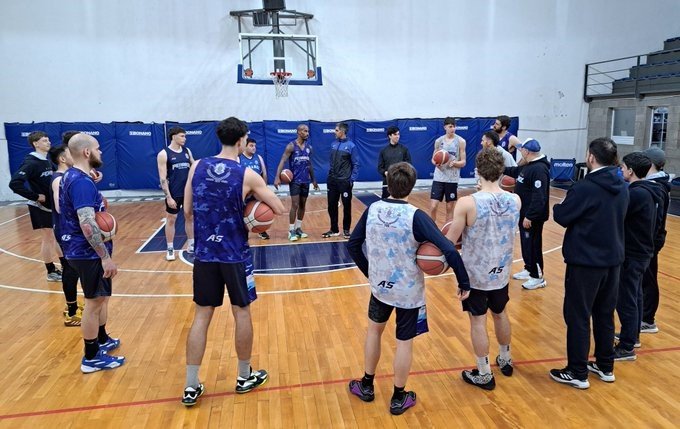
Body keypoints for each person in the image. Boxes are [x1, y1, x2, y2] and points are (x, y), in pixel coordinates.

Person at [347, 162, 471, 415]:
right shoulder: (416, 216)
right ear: (412, 186)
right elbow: (448, 248)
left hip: (380, 287)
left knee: (374, 332)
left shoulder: (372, 210)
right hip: (408, 292)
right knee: (404, 342)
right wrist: (463, 281)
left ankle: (367, 385)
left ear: (388, 183)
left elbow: (353, 245)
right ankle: (398, 397)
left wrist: (370, 272)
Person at [181, 117, 285, 407]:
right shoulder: (246, 174)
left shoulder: (196, 166)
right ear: (241, 141)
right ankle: (243, 376)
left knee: (202, 316)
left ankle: (191, 385)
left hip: (204, 254)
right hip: (234, 254)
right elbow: (278, 209)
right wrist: (253, 208)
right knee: (241, 313)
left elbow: (187, 211)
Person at [550, 137, 628, 389]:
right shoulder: (623, 186)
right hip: (613, 261)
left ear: (591, 157)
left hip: (585, 262)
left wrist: (561, 206)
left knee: (578, 315)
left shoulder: (585, 187)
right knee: (605, 314)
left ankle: (577, 371)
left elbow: (562, 216)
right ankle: (605, 366)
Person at [446, 148, 521, 390]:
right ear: (501, 171)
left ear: (477, 171)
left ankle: (484, 373)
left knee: (478, 321)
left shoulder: (467, 203)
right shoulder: (515, 200)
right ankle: (506, 359)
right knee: (501, 313)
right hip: (501, 271)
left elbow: (450, 242)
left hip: (475, 275)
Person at [60, 133, 125, 373]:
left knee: (99, 299)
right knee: (93, 302)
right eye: (98, 149)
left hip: (77, 249)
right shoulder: (81, 183)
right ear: (87, 152)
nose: (101, 153)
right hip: (87, 252)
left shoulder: (73, 175)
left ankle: (101, 341)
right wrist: (105, 257)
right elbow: (87, 223)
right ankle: (90, 357)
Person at [614, 152, 664, 361]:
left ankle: (626, 346)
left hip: (634, 253)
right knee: (636, 295)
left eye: (623, 168)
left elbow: (619, 216)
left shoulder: (636, 194)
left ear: (631, 171)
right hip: (643, 251)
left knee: (626, 298)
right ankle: (632, 336)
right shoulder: (652, 190)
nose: (621, 171)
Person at [8, 131, 62, 282]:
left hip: (51, 205)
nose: (48, 142)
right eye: (45, 140)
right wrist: (36, 196)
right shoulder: (31, 163)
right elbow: (15, 184)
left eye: (49, 139)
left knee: (56, 236)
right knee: (49, 237)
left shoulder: (47, 161)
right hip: (40, 206)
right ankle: (51, 271)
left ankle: (65, 266)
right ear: (36, 144)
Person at [503, 139, 550, 290]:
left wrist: (530, 216)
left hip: (532, 217)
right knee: (526, 243)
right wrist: (499, 168)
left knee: (533, 245)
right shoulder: (528, 166)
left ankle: (537, 277)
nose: (520, 151)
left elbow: (539, 196)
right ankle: (529, 268)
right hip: (524, 214)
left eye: (521, 149)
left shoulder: (539, 169)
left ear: (526, 151)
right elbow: (514, 172)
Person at [49, 139, 83, 326]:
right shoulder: (59, 179)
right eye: (70, 153)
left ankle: (73, 305)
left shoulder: (67, 176)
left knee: (72, 269)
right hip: (65, 231)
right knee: (70, 270)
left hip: (66, 229)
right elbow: (60, 207)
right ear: (63, 158)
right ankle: (71, 312)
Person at [641, 147, 671, 334]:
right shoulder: (655, 183)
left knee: (648, 278)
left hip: (650, 240)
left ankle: (648, 319)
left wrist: (649, 241)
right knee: (644, 278)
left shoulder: (657, 187)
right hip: (650, 239)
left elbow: (656, 219)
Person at [274, 124, 319, 242]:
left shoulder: (309, 148)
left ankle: (298, 228)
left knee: (303, 205)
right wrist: (277, 177)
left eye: (308, 131)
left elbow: (309, 164)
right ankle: (291, 230)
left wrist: (314, 180)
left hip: (306, 181)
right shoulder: (291, 146)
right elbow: (282, 161)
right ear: (299, 132)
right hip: (295, 181)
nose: (307, 133)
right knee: (295, 205)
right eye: (305, 131)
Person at [157, 126, 195, 260]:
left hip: (188, 192)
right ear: (173, 137)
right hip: (174, 193)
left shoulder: (187, 151)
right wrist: (168, 197)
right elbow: (162, 178)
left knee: (189, 217)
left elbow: (194, 167)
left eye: (185, 136)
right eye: (182, 136)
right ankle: (170, 248)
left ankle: (191, 244)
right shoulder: (163, 154)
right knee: (171, 220)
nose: (185, 138)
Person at [322, 122, 359, 239]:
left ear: (342, 132)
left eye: (336, 130)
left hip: (345, 182)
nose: (335, 132)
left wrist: (351, 180)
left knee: (347, 206)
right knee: (331, 205)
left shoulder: (351, 146)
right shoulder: (333, 144)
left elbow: (356, 164)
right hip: (332, 181)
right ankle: (334, 230)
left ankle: (346, 230)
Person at [430, 117, 466, 224]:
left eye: (454, 126)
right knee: (433, 206)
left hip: (452, 179)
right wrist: (436, 163)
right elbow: (433, 159)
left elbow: (463, 162)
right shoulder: (439, 141)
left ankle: (448, 232)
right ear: (445, 127)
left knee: (450, 208)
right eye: (450, 126)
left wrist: (455, 163)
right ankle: (432, 231)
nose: (453, 129)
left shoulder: (460, 141)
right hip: (439, 177)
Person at [239, 137, 271, 240]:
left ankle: (261, 230)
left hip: (257, 192)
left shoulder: (259, 158)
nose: (254, 148)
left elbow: (264, 174)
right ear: (245, 146)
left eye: (255, 146)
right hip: (245, 192)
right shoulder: (239, 158)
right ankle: (243, 233)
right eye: (251, 146)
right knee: (243, 213)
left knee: (259, 211)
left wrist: (263, 189)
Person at [377, 126, 412, 199]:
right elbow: (380, 168)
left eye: (398, 134)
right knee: (386, 204)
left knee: (401, 204)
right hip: (388, 182)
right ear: (390, 136)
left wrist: (403, 174)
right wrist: (385, 173)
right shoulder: (384, 151)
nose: (397, 136)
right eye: (395, 134)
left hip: (401, 182)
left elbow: (409, 165)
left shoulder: (404, 149)